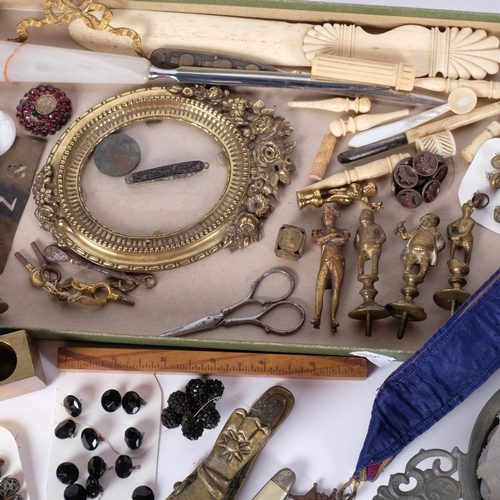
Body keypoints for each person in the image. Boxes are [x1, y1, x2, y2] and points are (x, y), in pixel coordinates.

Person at [311, 205, 350, 332]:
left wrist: (331, 237)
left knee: (336, 289)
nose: (327, 218)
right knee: (319, 288)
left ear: (335, 218)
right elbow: (318, 240)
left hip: (338, 260)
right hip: (325, 261)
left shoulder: (341, 231)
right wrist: (332, 236)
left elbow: (343, 240)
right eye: (325, 216)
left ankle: (333, 318)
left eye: (329, 216)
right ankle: (317, 316)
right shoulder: (321, 231)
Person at [394, 213, 445, 278]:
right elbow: (405, 236)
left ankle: (422, 273)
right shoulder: (416, 230)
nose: (426, 222)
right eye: (425, 220)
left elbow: (442, 243)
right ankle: (407, 271)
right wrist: (401, 228)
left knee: (425, 263)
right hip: (413, 251)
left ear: (435, 223)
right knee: (409, 261)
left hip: (426, 252)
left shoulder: (435, 233)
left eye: (429, 220)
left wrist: (433, 251)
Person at [354, 209, 386, 276]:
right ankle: (360, 272)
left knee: (375, 257)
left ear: (371, 217)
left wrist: (379, 242)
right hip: (363, 249)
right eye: (362, 216)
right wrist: (358, 245)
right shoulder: (359, 228)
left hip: (374, 247)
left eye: (365, 216)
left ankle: (374, 272)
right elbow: (356, 239)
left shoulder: (376, 226)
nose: (363, 217)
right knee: (360, 257)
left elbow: (383, 236)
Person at [447, 201, 475, 266]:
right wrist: (450, 234)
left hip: (467, 239)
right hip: (458, 238)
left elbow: (467, 233)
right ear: (464, 210)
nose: (468, 214)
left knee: (468, 251)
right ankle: (451, 258)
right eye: (467, 212)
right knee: (454, 243)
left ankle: (466, 264)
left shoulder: (471, 222)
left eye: (469, 213)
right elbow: (450, 226)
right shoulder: (459, 220)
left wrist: (459, 236)